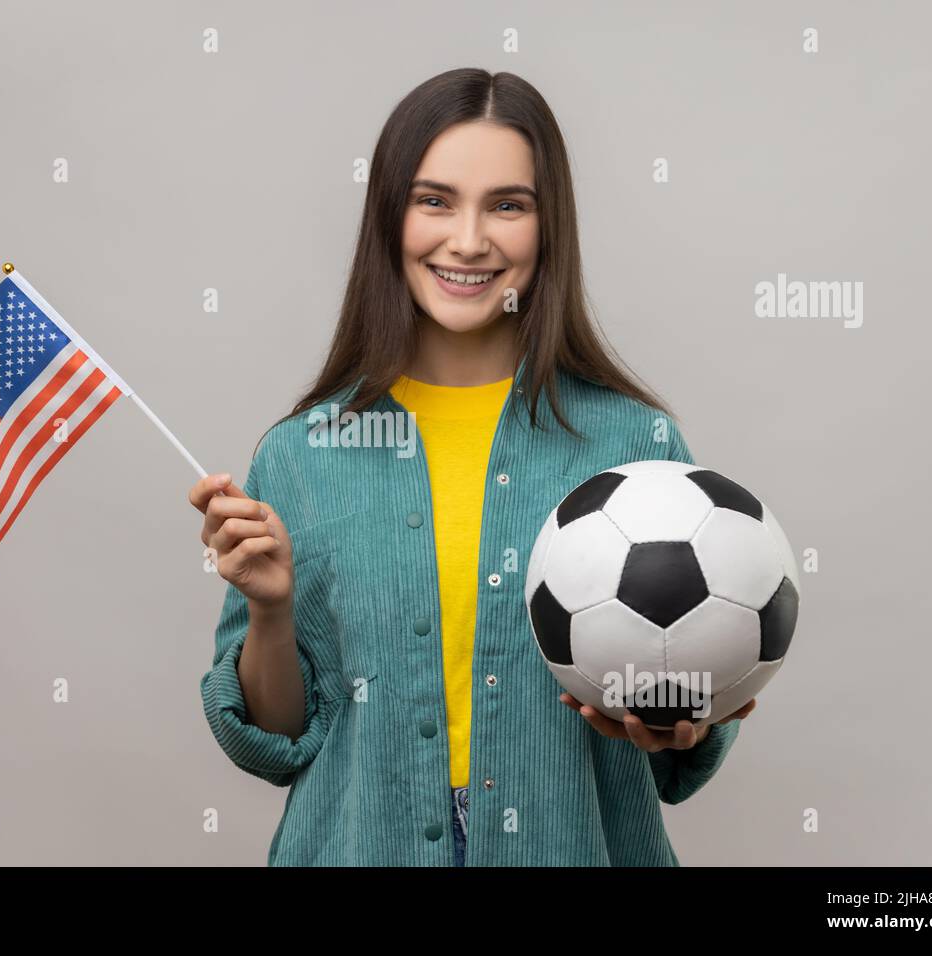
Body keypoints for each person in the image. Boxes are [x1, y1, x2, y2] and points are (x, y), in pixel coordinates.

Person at [191, 67, 754, 867]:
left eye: (507, 205)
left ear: (547, 224)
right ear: (391, 218)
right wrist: (272, 613)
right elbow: (273, 745)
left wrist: (682, 718)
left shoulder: (637, 445)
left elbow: (684, 745)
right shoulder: (301, 452)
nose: (467, 240)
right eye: (435, 200)